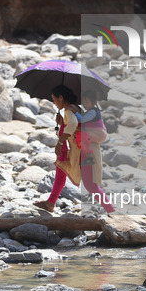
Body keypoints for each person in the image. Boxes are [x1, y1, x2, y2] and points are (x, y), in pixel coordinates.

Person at [33, 85, 114, 213]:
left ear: (61, 97)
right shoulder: (75, 108)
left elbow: (73, 124)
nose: (54, 103)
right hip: (79, 150)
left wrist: (60, 142)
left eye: (54, 100)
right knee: (61, 169)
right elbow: (76, 127)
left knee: (90, 185)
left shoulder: (69, 110)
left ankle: (111, 210)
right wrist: (61, 124)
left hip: (85, 152)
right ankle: (50, 202)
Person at [75, 90, 104, 166]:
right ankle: (87, 156)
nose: (84, 105)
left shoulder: (92, 112)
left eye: (87, 102)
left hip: (98, 134)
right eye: (83, 102)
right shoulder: (92, 111)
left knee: (81, 136)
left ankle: (89, 158)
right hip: (97, 132)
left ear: (94, 102)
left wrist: (75, 112)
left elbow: (82, 120)